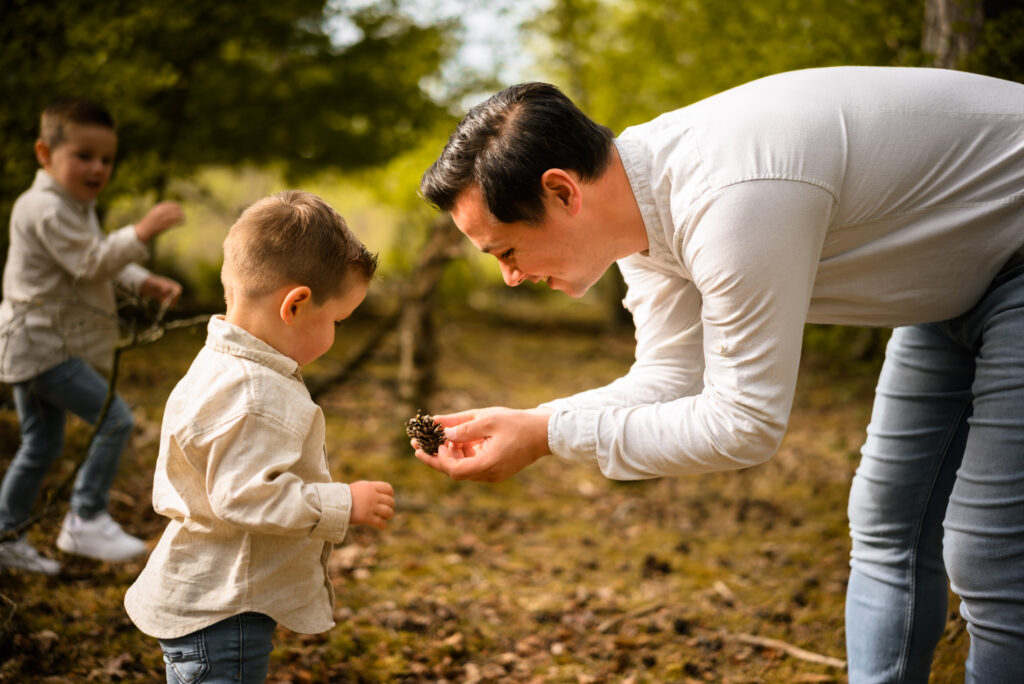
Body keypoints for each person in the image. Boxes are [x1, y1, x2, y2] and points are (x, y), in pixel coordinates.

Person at [414, 68, 1024, 683]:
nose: (510, 278)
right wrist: (539, 421)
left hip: (1015, 252)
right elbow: (669, 378)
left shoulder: (730, 195)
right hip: (951, 288)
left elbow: (745, 423)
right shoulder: (640, 212)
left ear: (562, 192)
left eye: (506, 251)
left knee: (986, 551)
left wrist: (549, 436)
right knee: (889, 521)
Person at [124, 190, 396, 683]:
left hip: (219, 602)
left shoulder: (224, 365)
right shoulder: (253, 394)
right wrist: (342, 504)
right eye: (337, 321)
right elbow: (244, 497)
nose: (337, 336)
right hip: (222, 615)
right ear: (295, 304)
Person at [0, 97, 184, 575]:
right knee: (116, 421)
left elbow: (96, 259)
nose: (97, 167)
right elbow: (90, 263)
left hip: (34, 346)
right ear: (45, 154)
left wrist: (142, 280)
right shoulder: (42, 208)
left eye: (106, 159)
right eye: (84, 155)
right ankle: (85, 517)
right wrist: (142, 231)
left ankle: (6, 534)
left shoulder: (73, 206)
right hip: (42, 347)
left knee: (40, 446)